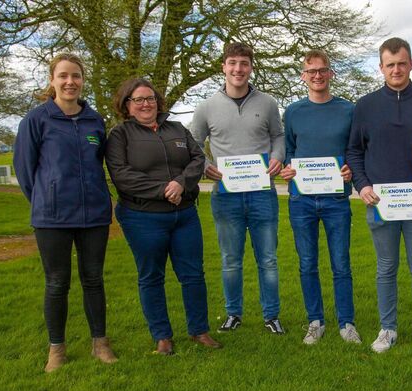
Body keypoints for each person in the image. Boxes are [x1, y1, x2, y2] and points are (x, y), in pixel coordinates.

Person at [14, 53, 118, 372]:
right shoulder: (36, 120)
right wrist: (47, 197)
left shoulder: (94, 120)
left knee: (93, 279)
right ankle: (56, 349)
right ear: (52, 80)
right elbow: (25, 170)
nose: (70, 82)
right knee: (57, 282)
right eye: (63, 76)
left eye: (76, 76)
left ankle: (100, 343)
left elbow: (99, 162)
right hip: (52, 218)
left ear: (83, 80)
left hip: (94, 216)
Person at [105, 78, 220, 355]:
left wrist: (181, 183)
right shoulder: (120, 135)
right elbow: (121, 175)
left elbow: (197, 159)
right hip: (142, 217)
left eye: (150, 98)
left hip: (184, 215)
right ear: (127, 105)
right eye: (138, 99)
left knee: (193, 274)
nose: (146, 104)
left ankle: (199, 330)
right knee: (151, 276)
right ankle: (162, 336)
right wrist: (164, 190)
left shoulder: (177, 129)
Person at [347, 38, 412, 357]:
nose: (396, 70)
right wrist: (362, 185)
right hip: (380, 203)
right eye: (390, 65)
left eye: (402, 63)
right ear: (381, 67)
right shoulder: (366, 106)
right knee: (386, 268)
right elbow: (354, 151)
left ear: (411, 64)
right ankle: (387, 328)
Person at [190, 42, 286, 334]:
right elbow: (194, 144)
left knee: (268, 259)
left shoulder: (267, 103)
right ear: (224, 67)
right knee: (231, 260)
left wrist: (277, 157)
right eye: (232, 63)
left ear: (251, 67)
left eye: (244, 63)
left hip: (263, 194)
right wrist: (205, 165)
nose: (238, 69)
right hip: (226, 196)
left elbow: (278, 136)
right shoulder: (206, 107)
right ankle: (233, 313)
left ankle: (271, 315)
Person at [280, 50, 359, 345]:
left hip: (336, 199)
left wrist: (351, 168)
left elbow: (355, 150)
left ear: (331, 73)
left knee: (341, 263)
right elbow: (289, 150)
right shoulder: (293, 112)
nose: (317, 75)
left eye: (322, 70)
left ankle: (346, 323)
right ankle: (315, 322)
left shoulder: (348, 110)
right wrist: (288, 167)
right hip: (301, 200)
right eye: (311, 71)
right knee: (307, 263)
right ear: (303, 76)